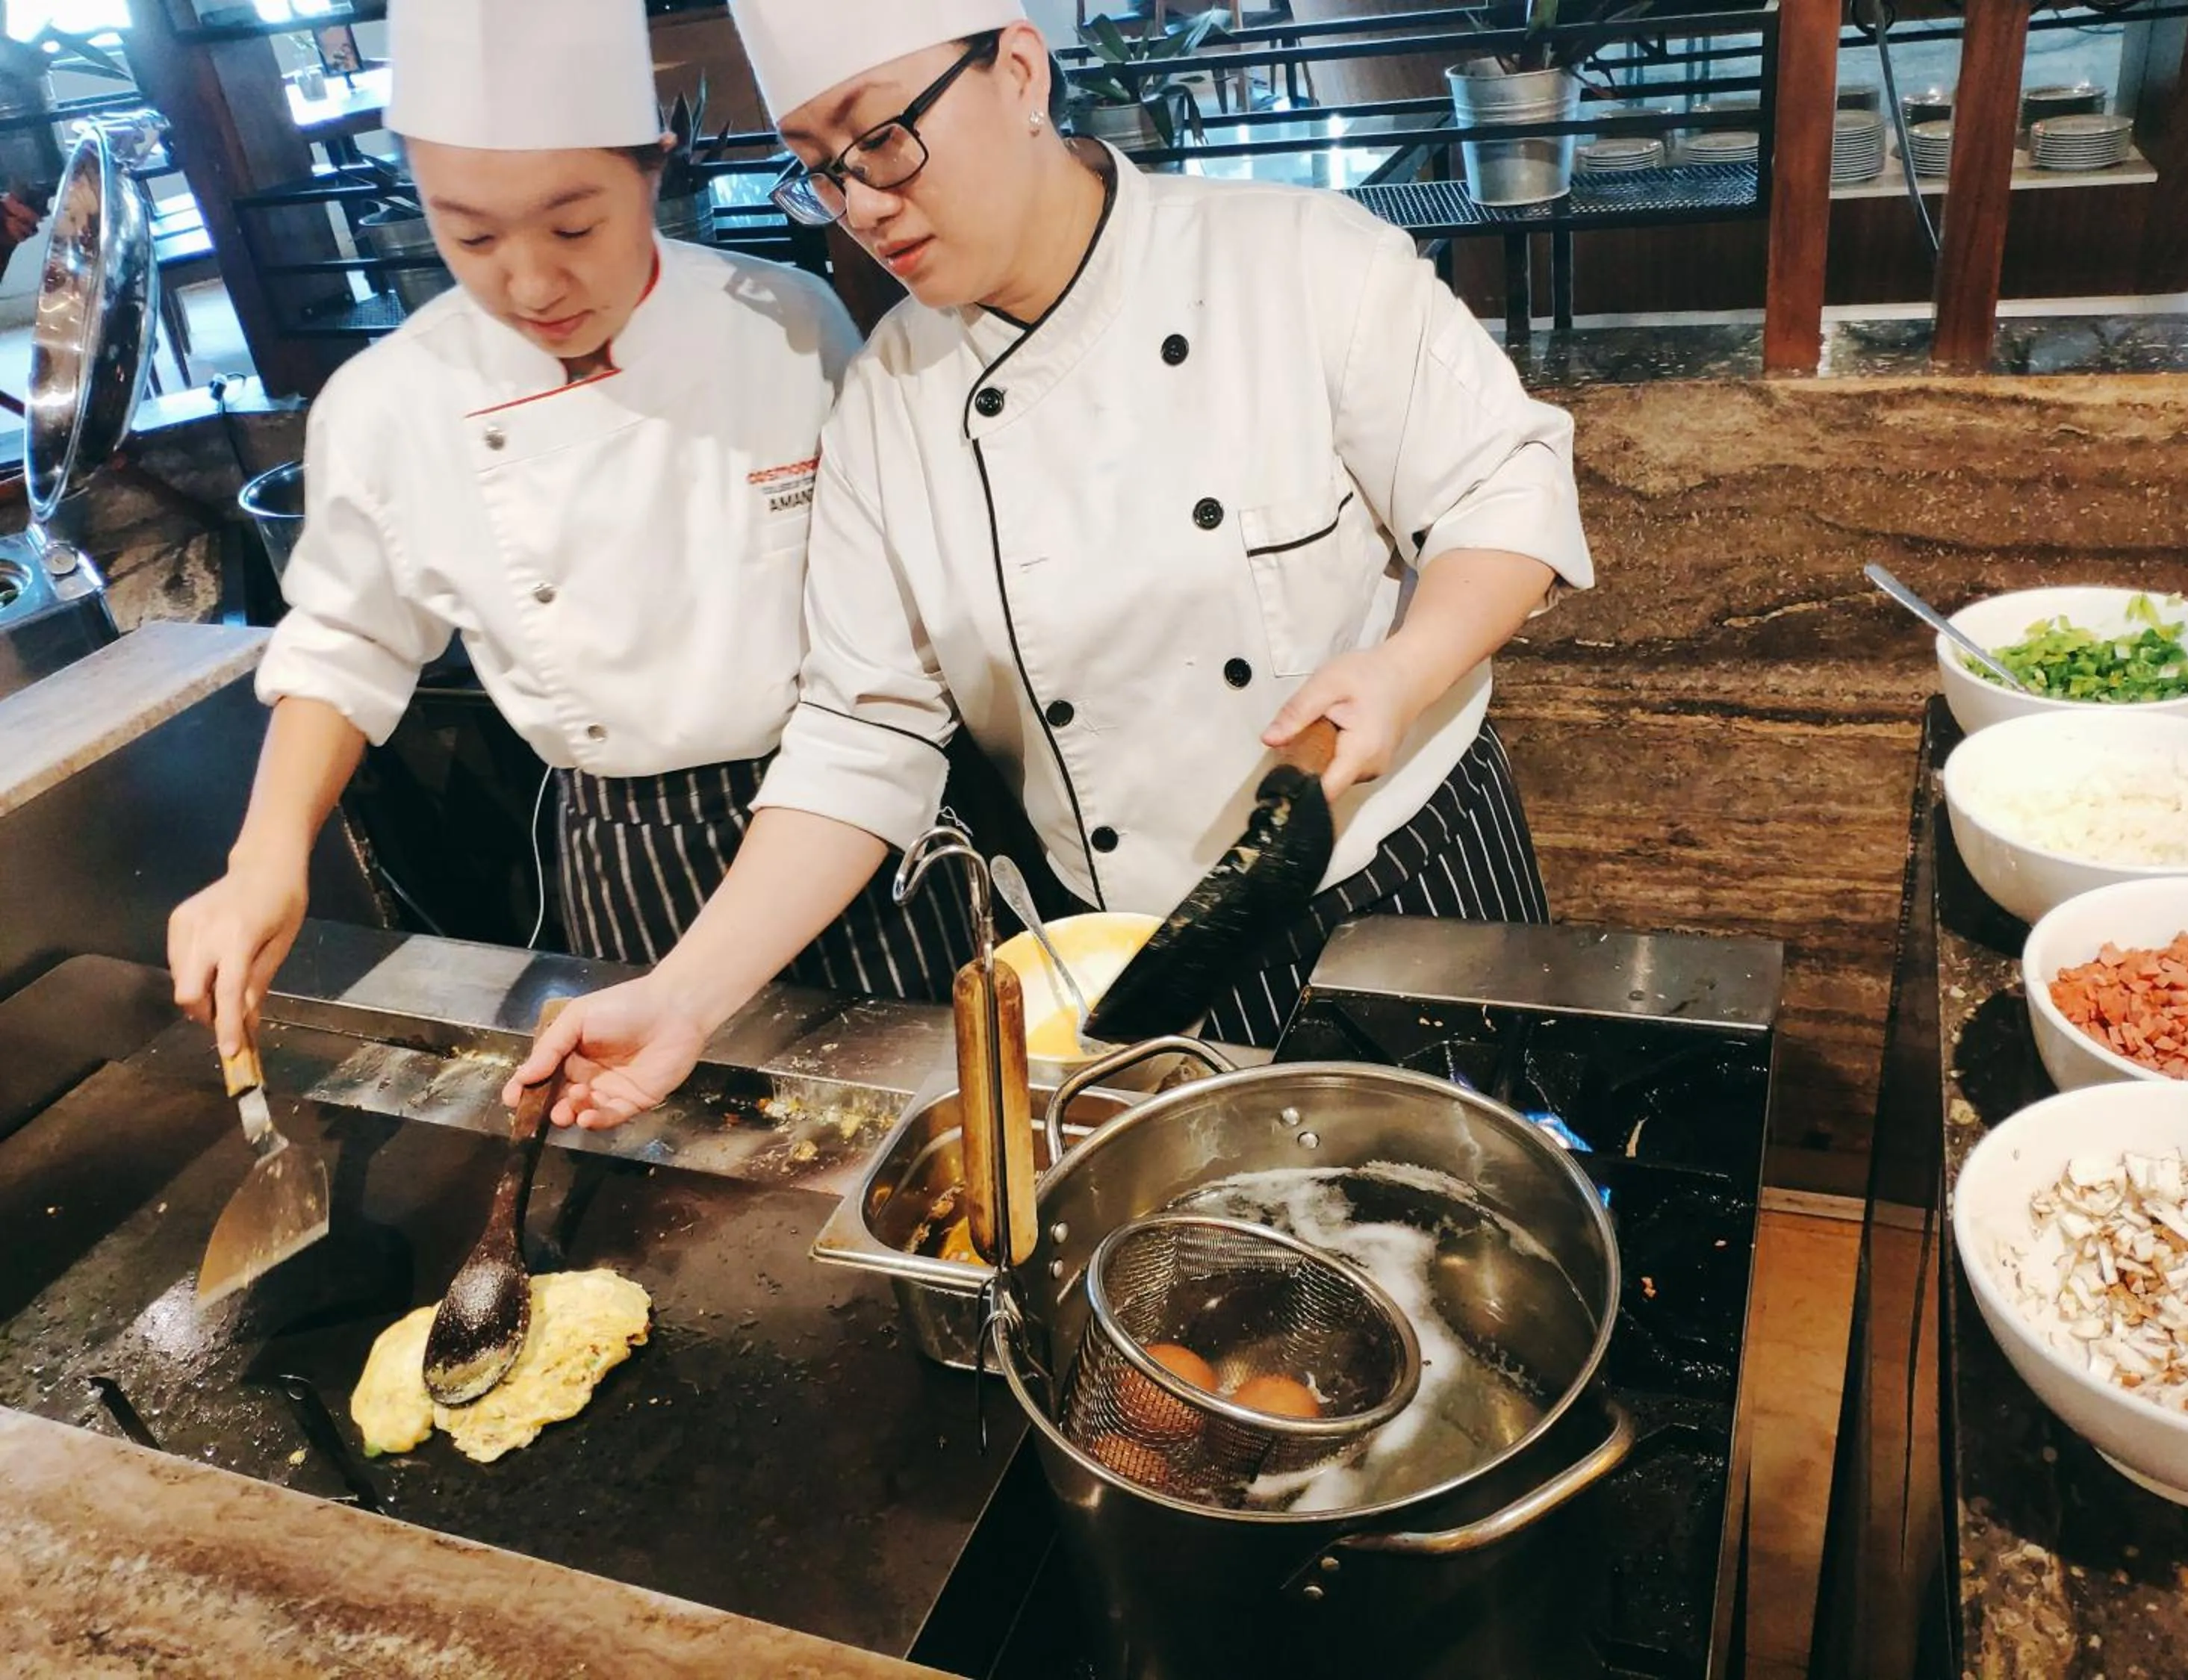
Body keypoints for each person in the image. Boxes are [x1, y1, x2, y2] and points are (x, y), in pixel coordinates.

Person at [509, 0, 1593, 1130]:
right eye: (821, 170)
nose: (863, 206)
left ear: (1021, 71)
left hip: (1404, 896)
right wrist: (684, 996)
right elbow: (862, 734)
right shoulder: (888, 403)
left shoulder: (1299, 260)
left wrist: (1407, 665)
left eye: (880, 139)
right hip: (1124, 954)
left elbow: (1504, 484)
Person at [167, 0, 971, 1060]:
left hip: (860, 804)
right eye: (471, 235)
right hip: (630, 848)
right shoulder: (389, 402)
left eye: (575, 225)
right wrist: (265, 854)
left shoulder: (787, 320)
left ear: (654, 168)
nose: (533, 282)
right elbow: (346, 638)